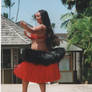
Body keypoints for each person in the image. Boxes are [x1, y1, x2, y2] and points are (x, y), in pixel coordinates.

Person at [14, 10, 65, 92]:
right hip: (32, 55)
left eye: (38, 16)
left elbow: (32, 31)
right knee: (26, 77)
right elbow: (37, 38)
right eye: (36, 16)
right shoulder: (40, 27)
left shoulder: (42, 27)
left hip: (40, 56)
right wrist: (29, 36)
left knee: (40, 78)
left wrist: (25, 26)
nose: (36, 18)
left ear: (43, 17)